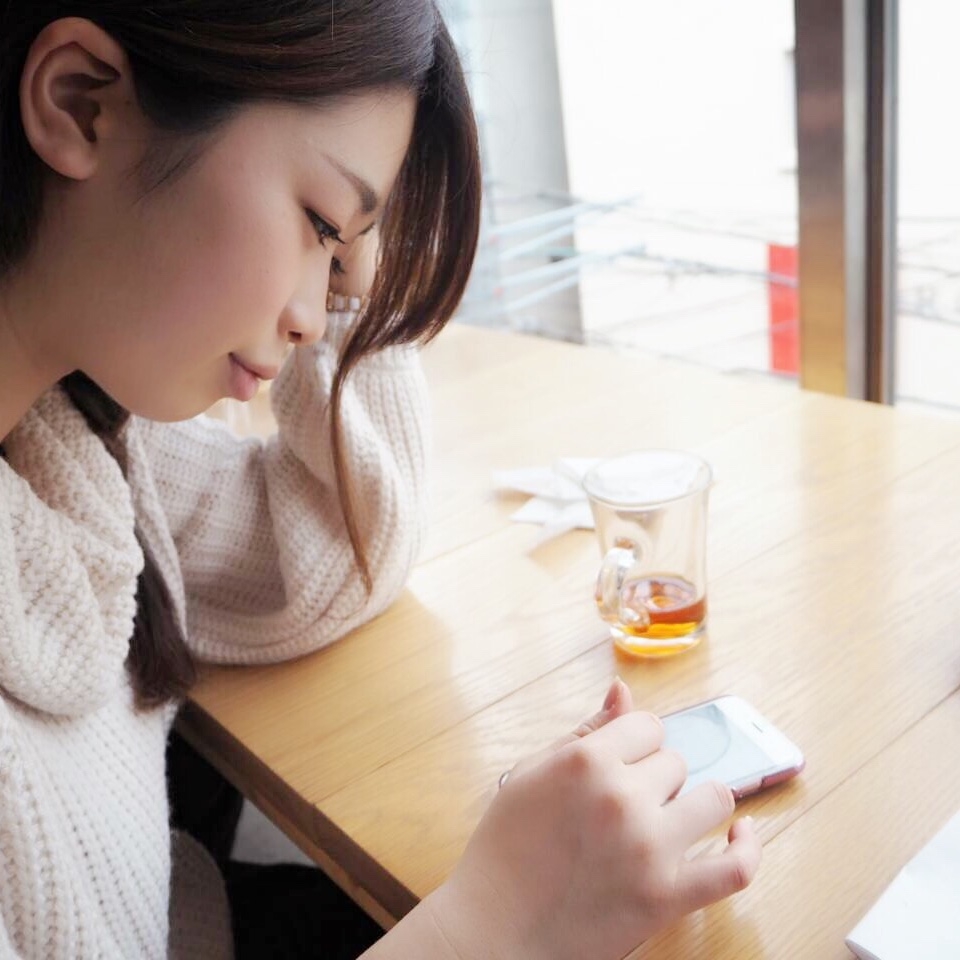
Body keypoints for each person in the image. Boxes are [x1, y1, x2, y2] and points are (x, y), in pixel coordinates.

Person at [0, 1, 761, 957]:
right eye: (320, 222)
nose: (321, 318)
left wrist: (351, 246)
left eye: (346, 256)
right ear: (79, 103)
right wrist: (499, 919)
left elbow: (326, 560)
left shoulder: (66, 442)